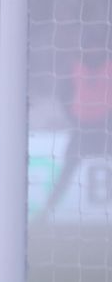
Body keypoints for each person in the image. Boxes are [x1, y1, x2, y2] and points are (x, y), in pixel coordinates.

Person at [33, 36, 112, 222]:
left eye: (97, 45)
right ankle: (46, 211)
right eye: (90, 46)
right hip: (82, 130)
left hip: (106, 129)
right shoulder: (74, 67)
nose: (94, 50)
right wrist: (74, 117)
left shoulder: (109, 66)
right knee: (66, 171)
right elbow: (64, 95)